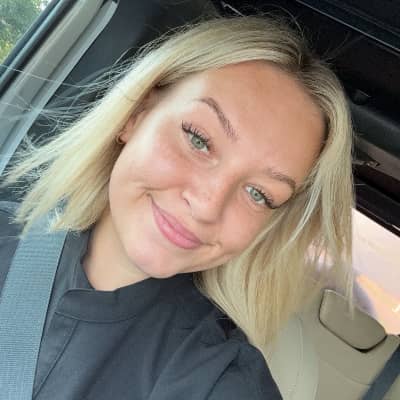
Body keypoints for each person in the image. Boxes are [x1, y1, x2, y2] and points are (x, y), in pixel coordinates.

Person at [0, 15, 354, 399]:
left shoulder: (220, 379)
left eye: (259, 194)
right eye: (198, 139)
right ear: (136, 114)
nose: (207, 206)